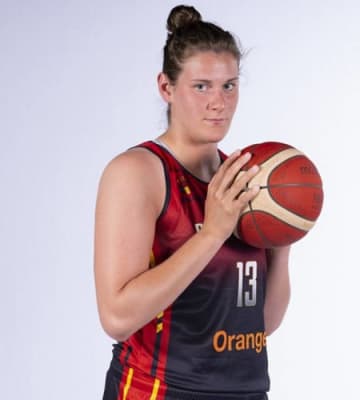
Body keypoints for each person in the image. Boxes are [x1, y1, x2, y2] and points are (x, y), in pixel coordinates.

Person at [94, 5, 291, 400]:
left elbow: (261, 325)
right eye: (201, 86)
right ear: (166, 88)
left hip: (246, 392)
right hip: (159, 390)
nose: (219, 102)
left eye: (229, 85)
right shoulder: (138, 172)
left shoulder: (243, 178)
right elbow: (117, 317)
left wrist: (282, 242)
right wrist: (212, 234)